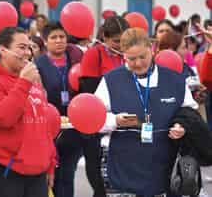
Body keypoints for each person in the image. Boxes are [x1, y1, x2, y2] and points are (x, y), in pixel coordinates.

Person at [95, 28, 198, 196]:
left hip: (164, 168)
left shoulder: (175, 80)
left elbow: (190, 113)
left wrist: (182, 126)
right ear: (123, 56)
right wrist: (115, 121)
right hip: (122, 169)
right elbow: (95, 120)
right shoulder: (111, 80)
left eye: (142, 57)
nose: (138, 63)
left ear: (152, 49)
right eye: (131, 59)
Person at [0, 27, 56, 197]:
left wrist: (50, 162)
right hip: (2, 171)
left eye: (29, 48)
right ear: (3, 49)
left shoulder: (31, 80)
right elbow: (3, 118)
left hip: (36, 174)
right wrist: (24, 83)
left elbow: (42, 125)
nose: (28, 53)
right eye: (22, 47)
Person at [78, 15, 129, 197]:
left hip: (121, 125)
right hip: (97, 124)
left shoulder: (128, 56)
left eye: (124, 41)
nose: (121, 46)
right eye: (116, 41)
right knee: (99, 180)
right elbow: (89, 91)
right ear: (105, 38)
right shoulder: (94, 54)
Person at [35, 22, 82, 197]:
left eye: (62, 37)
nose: (59, 41)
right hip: (48, 128)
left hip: (73, 127)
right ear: (45, 42)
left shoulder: (75, 61)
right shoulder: (39, 64)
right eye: (53, 38)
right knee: (51, 176)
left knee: (68, 175)